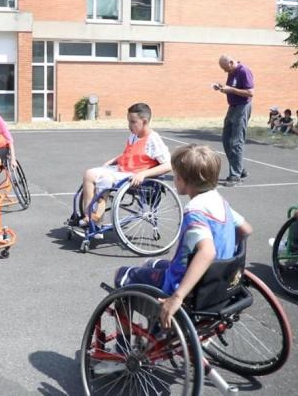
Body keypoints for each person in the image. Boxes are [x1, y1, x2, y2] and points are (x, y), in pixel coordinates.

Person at [113, 144, 252, 329]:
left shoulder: (194, 211)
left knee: (121, 275)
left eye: (176, 176)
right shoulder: (220, 201)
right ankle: (156, 329)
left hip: (184, 285)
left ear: (183, 180)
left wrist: (177, 296)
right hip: (217, 282)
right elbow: (246, 229)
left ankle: (124, 346)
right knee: (150, 264)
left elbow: (207, 252)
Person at [74, 103, 171, 236]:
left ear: (145, 121)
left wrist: (143, 174)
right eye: (128, 121)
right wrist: (113, 160)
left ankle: (95, 220)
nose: (129, 125)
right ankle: (88, 216)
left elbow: (168, 165)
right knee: (89, 174)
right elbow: (129, 154)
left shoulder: (153, 140)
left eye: (133, 122)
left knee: (104, 179)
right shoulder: (134, 135)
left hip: (134, 175)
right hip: (121, 170)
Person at [213, 54, 254, 187]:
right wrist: (222, 88)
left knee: (237, 141)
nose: (226, 71)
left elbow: (250, 92)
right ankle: (239, 169)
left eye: (226, 69)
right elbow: (232, 89)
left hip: (242, 107)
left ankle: (235, 176)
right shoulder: (232, 72)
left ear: (231, 62)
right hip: (233, 107)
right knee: (226, 138)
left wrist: (231, 89)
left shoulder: (244, 71)